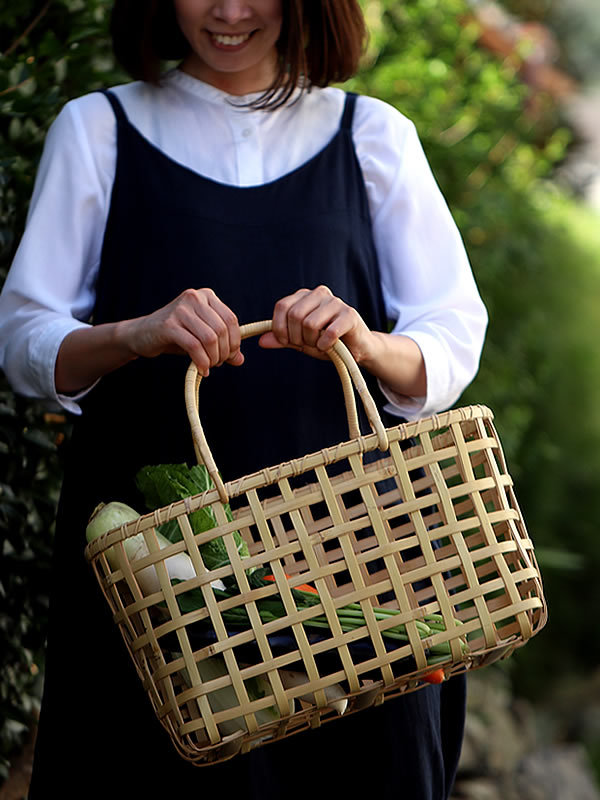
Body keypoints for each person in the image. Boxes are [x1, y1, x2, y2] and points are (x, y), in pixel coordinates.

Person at [0, 1, 488, 797]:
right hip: (161, 578)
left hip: (351, 575)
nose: (228, 11)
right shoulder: (97, 128)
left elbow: (451, 338)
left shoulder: (373, 136)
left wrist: (363, 342)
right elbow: (23, 340)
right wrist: (134, 334)